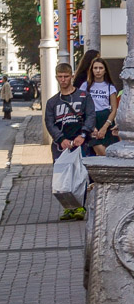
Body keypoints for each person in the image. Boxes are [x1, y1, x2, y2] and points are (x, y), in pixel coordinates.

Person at [45, 62, 95, 221]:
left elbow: (90, 116)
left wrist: (83, 134)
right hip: (62, 146)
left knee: (80, 176)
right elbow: (49, 122)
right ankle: (68, 208)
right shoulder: (53, 102)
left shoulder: (83, 96)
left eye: (66, 76)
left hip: (81, 142)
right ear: (56, 78)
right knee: (62, 177)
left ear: (72, 76)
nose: (63, 80)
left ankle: (81, 206)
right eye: (60, 77)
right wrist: (60, 139)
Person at [79, 56, 120, 155]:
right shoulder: (85, 86)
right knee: (98, 148)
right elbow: (81, 107)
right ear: (91, 70)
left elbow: (114, 109)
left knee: (112, 151)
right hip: (91, 118)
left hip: (106, 119)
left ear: (105, 70)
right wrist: (92, 127)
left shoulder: (110, 87)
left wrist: (105, 127)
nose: (98, 71)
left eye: (101, 68)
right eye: (95, 68)